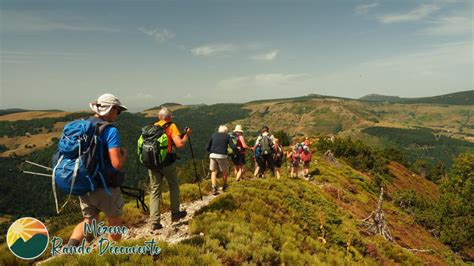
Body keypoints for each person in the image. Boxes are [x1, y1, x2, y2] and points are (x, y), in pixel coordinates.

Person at [68, 93, 127, 246]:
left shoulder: (83, 126)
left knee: (89, 223)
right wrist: (123, 156)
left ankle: (70, 248)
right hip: (104, 187)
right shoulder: (110, 130)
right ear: (111, 110)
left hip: (83, 184)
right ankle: (110, 258)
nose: (118, 114)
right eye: (118, 111)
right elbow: (116, 164)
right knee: (115, 227)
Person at [149, 107, 191, 230]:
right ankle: (175, 213)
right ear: (169, 117)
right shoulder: (171, 126)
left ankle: (154, 221)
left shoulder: (152, 126)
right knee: (173, 185)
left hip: (152, 163)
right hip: (166, 162)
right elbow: (180, 144)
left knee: (155, 190)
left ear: (159, 117)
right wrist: (187, 135)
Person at [207, 125, 237, 195]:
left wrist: (210, 151)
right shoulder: (227, 136)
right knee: (225, 171)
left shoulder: (213, 135)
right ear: (225, 131)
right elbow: (233, 146)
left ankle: (214, 187)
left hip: (212, 155)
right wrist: (235, 152)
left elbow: (208, 146)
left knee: (213, 171)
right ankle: (224, 186)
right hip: (222, 156)